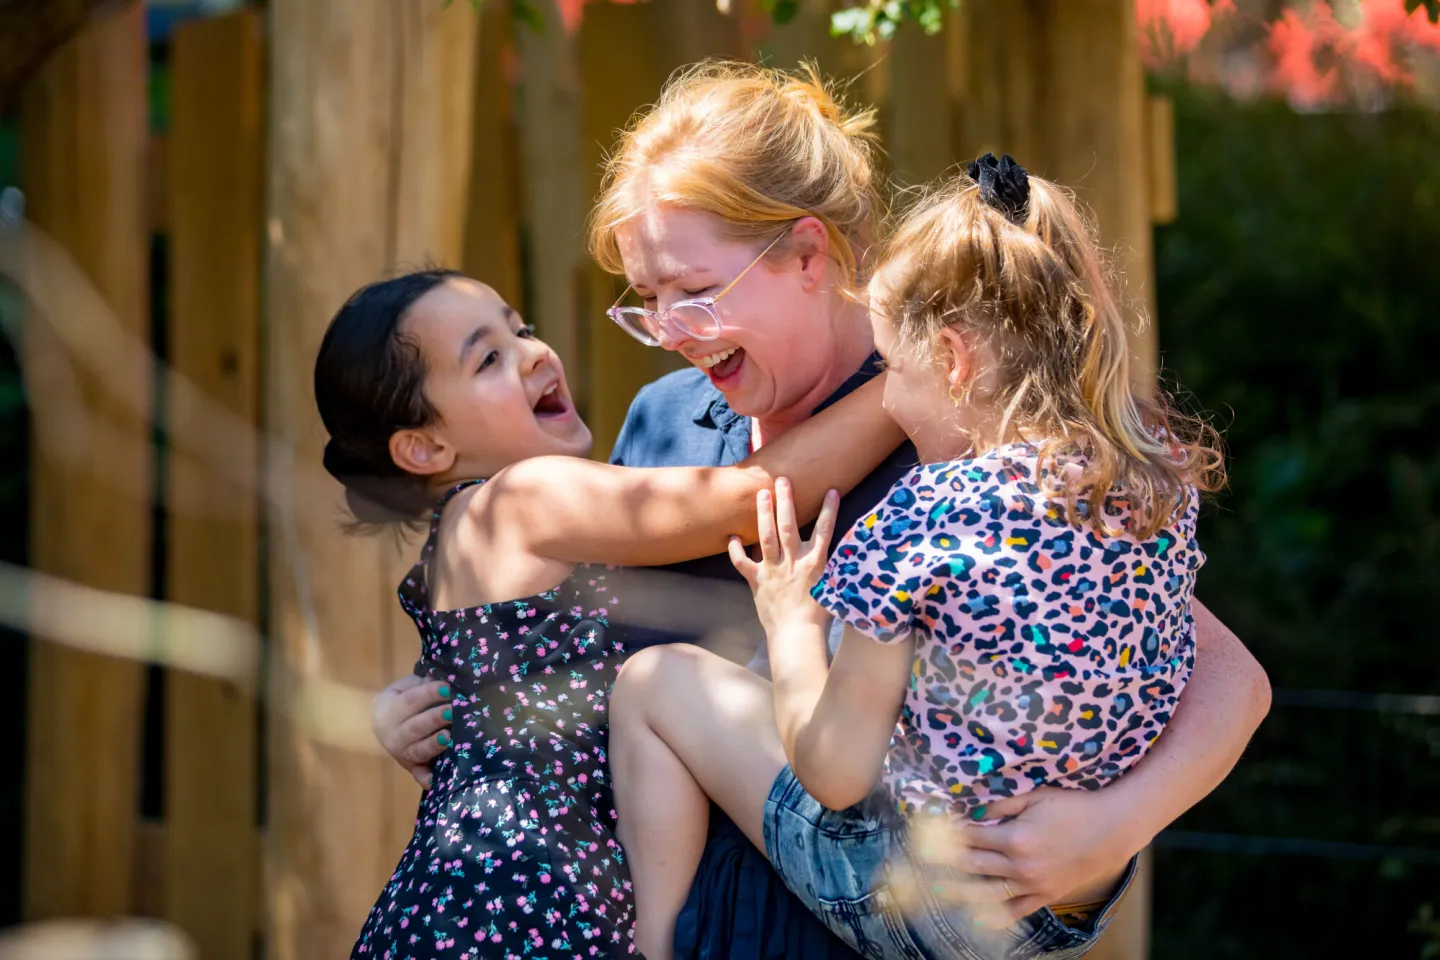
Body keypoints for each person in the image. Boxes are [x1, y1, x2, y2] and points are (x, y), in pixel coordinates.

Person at [371, 62, 1272, 960]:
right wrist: (441, 702)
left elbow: (1219, 671)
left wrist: (1113, 826)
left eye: (695, 291)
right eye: (648, 304)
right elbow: (589, 655)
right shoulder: (663, 424)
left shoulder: (957, 431)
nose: (675, 329)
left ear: (807, 254)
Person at [611, 154, 1228, 960]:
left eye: (893, 373)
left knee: (655, 683)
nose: (889, 405)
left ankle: (649, 946)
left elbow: (833, 773)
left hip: (906, 894)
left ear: (952, 359)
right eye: (646, 301)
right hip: (1046, 919)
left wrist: (793, 621)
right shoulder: (1142, 492)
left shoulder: (923, 518)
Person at [317, 268, 906, 959]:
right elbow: (750, 498)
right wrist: (913, 381)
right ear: (426, 448)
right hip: (514, 904)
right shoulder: (519, 499)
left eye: (522, 329)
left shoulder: (475, 539)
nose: (534, 353)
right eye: (488, 359)